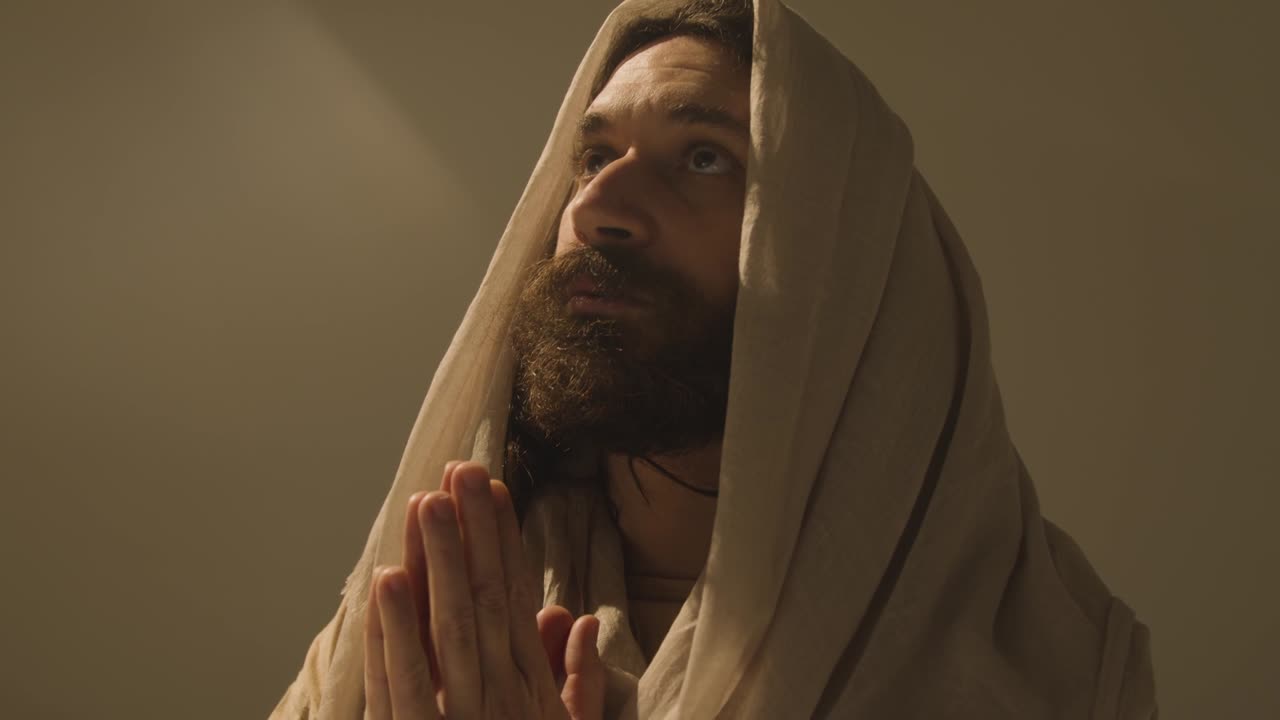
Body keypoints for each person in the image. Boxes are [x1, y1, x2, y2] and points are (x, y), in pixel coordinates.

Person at [270, 0, 1158, 718]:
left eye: (703, 158)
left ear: (842, 260)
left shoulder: (1044, 668)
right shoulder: (434, 612)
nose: (600, 205)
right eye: (593, 156)